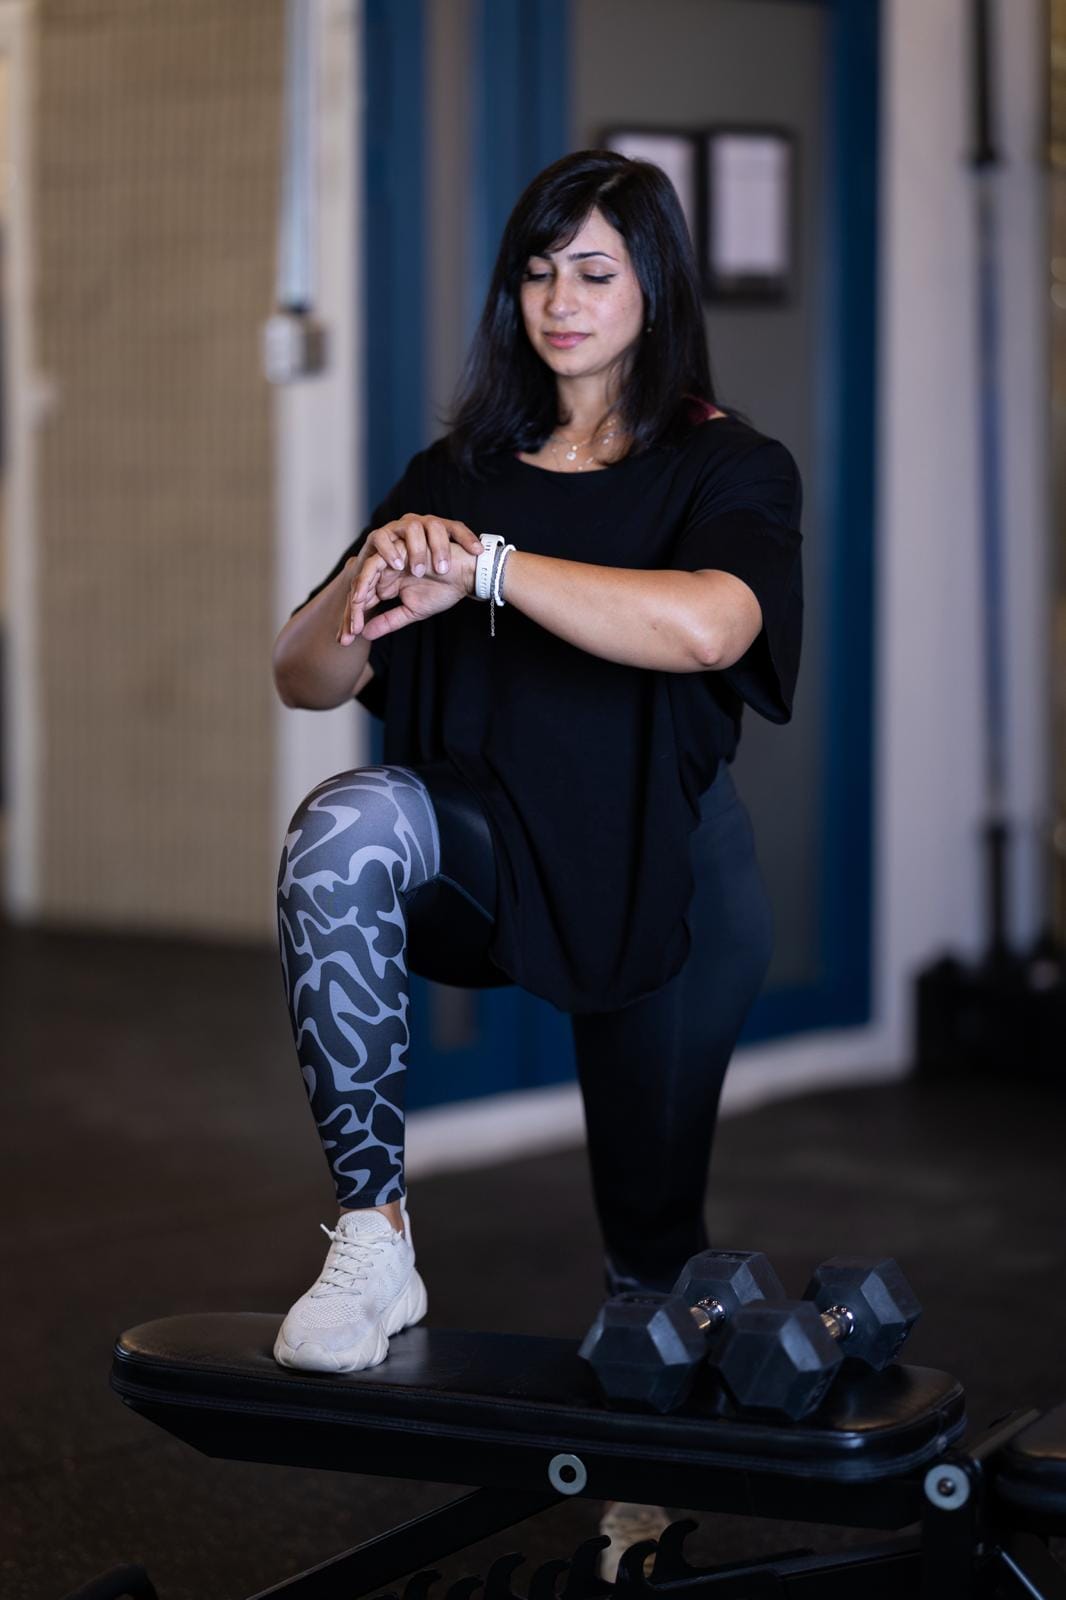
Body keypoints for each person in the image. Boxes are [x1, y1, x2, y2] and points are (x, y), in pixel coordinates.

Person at [270, 150, 801, 1444]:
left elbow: (709, 632)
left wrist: (494, 572)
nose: (559, 298)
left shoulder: (726, 467)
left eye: (594, 270)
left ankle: (639, 1497)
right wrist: (374, 587)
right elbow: (301, 675)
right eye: (536, 270)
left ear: (653, 288)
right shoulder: (456, 471)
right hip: (491, 849)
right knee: (339, 829)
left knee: (651, 1250)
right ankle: (373, 1236)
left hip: (659, 877)